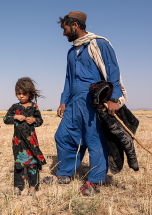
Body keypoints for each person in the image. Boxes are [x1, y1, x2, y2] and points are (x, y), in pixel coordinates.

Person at [43, 11, 127, 196]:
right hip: (74, 103)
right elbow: (68, 78)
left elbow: (113, 70)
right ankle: (64, 173)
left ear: (75, 25)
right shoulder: (72, 52)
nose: (63, 33)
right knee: (63, 136)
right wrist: (63, 101)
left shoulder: (100, 44)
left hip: (94, 103)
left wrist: (114, 99)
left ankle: (94, 181)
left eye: (65, 29)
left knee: (95, 140)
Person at [4, 77, 46, 196]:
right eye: (19, 94)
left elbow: (40, 120)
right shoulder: (14, 107)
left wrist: (34, 120)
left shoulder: (34, 107)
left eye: (24, 94)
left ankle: (33, 186)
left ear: (30, 94)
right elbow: (5, 119)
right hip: (18, 142)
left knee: (32, 163)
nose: (21, 96)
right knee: (19, 164)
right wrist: (15, 117)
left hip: (31, 141)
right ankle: (18, 186)